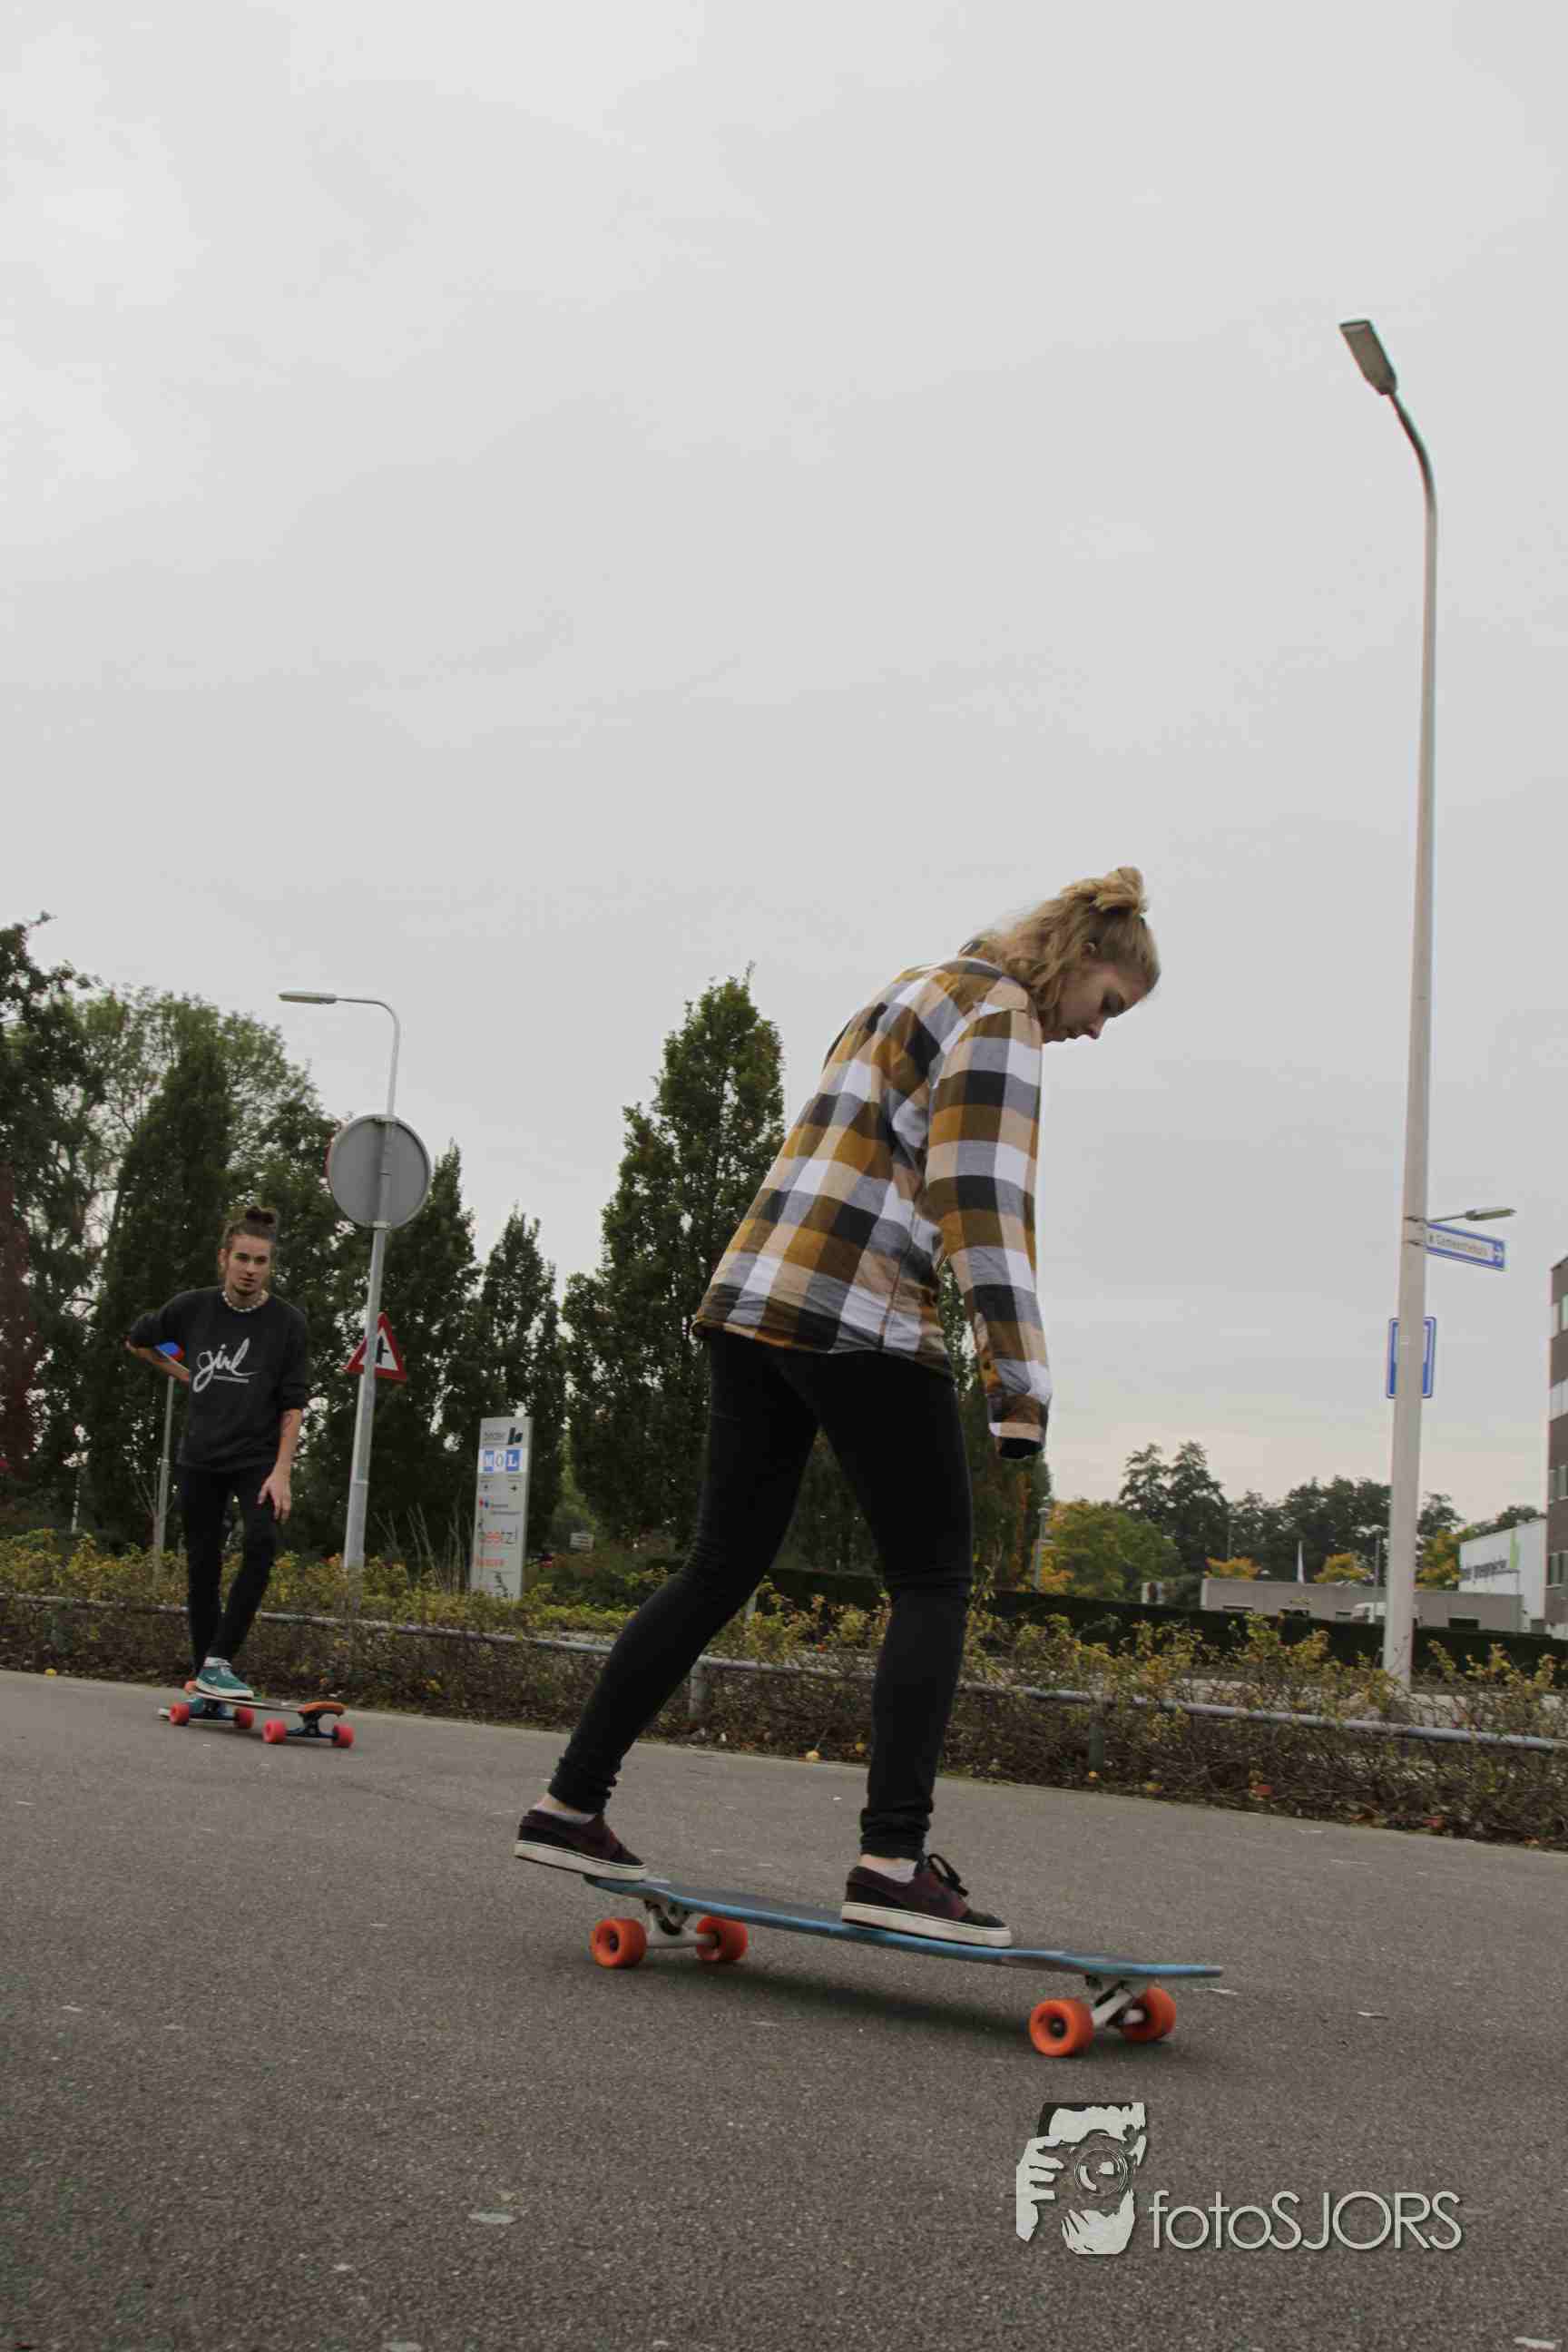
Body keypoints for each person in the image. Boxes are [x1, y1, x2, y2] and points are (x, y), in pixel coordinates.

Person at [514, 869, 1160, 1945]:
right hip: (859, 1308)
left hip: (754, 1293)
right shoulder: (1004, 1016)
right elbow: (980, 1196)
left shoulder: (911, 987)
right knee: (934, 1579)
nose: (1098, 1031)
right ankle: (891, 1860)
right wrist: (1019, 1379)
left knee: (719, 1565)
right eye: (1110, 1006)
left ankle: (569, 1803)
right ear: (1080, 959)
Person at [126, 1205, 310, 1711]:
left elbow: (294, 1402)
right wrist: (185, 1375)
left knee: (262, 1542)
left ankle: (218, 1661)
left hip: (257, 1459)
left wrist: (282, 1471)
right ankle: (204, 1681)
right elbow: (139, 1341)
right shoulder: (191, 1309)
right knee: (202, 1568)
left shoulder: (288, 1323)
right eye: (243, 1258)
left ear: (270, 1266)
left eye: (261, 1261)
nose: (251, 1269)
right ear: (224, 1258)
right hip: (201, 1457)